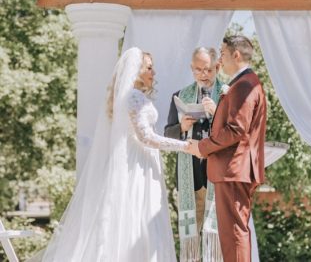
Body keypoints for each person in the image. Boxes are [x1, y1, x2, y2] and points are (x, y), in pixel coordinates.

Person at [40, 47, 189, 262]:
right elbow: (146, 137)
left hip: (142, 163)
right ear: (136, 71)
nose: (153, 72)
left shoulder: (135, 97)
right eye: (149, 67)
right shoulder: (133, 98)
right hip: (137, 166)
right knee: (138, 216)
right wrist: (184, 146)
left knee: (141, 217)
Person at [188, 36, 267, 262]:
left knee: (233, 233)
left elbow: (236, 130)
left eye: (222, 53)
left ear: (236, 55)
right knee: (232, 232)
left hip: (233, 168)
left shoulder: (243, 85)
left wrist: (202, 147)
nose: (219, 59)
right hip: (235, 168)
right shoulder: (244, 83)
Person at [164, 47, 224, 261]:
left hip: (217, 179)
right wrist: (180, 127)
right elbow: (167, 135)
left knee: (218, 241)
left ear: (217, 67)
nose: (203, 75)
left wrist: (217, 112)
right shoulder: (179, 96)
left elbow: (236, 133)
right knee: (191, 241)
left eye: (208, 69)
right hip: (190, 177)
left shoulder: (227, 94)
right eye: (198, 70)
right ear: (191, 69)